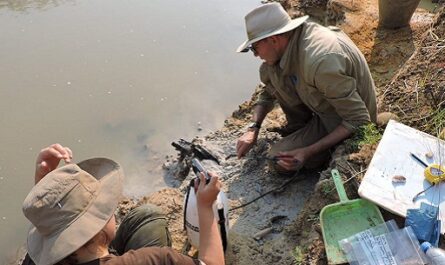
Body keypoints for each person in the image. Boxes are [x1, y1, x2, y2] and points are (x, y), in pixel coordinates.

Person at [21, 143, 224, 265]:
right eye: (105, 207)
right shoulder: (152, 260)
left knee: (146, 215)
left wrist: (45, 186)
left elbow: (50, 223)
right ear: (98, 229)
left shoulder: (36, 261)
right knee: (152, 218)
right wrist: (205, 206)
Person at [235, 3, 377, 174]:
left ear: (273, 39)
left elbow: (358, 119)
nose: (255, 55)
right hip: (328, 106)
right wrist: (253, 128)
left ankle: (325, 152)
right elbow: (268, 92)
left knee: (277, 161)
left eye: (254, 48)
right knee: (270, 70)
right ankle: (301, 128)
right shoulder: (290, 43)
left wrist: (307, 152)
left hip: (346, 121)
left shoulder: (319, 61)